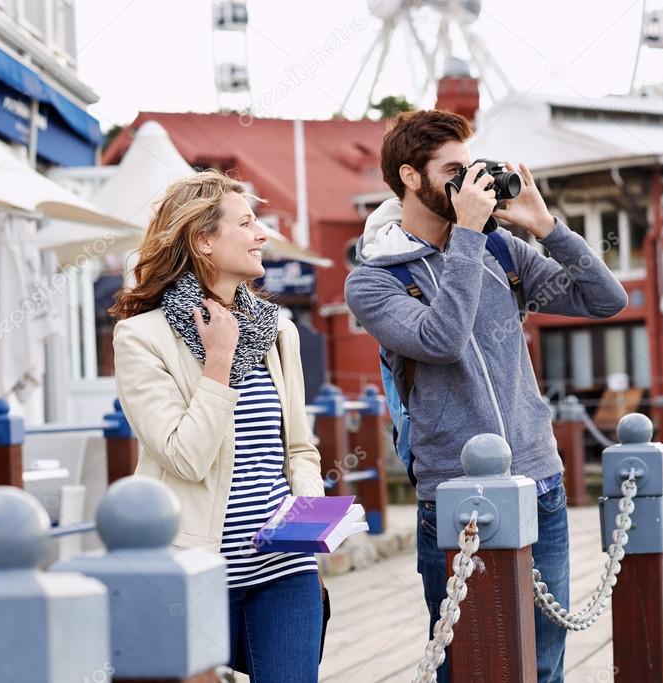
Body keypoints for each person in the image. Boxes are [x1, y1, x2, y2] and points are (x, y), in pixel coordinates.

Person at [345, 110, 628, 682]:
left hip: (539, 481)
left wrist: (547, 228)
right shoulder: (374, 280)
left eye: (472, 166)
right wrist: (469, 237)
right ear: (409, 177)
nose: (470, 181)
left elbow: (606, 301)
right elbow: (441, 341)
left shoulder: (503, 252)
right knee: (466, 663)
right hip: (455, 497)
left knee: (543, 665)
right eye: (453, 171)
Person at [109, 170, 326, 682]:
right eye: (247, 223)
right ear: (204, 240)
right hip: (193, 572)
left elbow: (299, 449)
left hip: (285, 571)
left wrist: (311, 521)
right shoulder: (140, 338)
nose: (262, 235)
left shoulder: (279, 331)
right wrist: (218, 362)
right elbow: (184, 456)